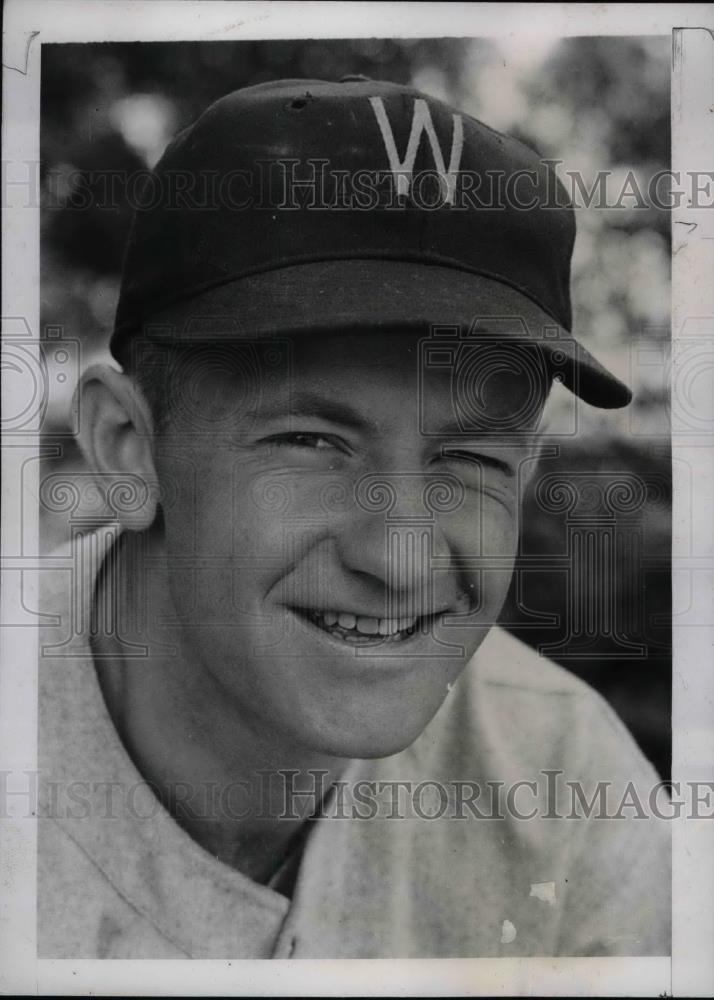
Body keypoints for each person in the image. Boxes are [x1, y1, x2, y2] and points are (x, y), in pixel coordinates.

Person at [38, 76, 670, 958]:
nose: (401, 559)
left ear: (524, 470)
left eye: (470, 460)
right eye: (311, 440)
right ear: (128, 446)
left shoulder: (562, 783)